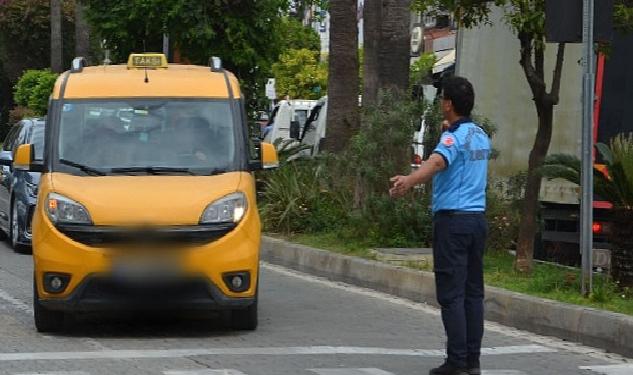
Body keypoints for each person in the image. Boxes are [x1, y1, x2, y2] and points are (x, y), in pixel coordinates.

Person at [390, 76, 490, 375]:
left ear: (448, 104)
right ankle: (472, 361)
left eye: (442, 98)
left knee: (452, 294)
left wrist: (408, 180)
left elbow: (436, 163)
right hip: (477, 222)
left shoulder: (451, 139)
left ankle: (456, 361)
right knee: (473, 294)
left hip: (453, 223)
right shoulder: (481, 134)